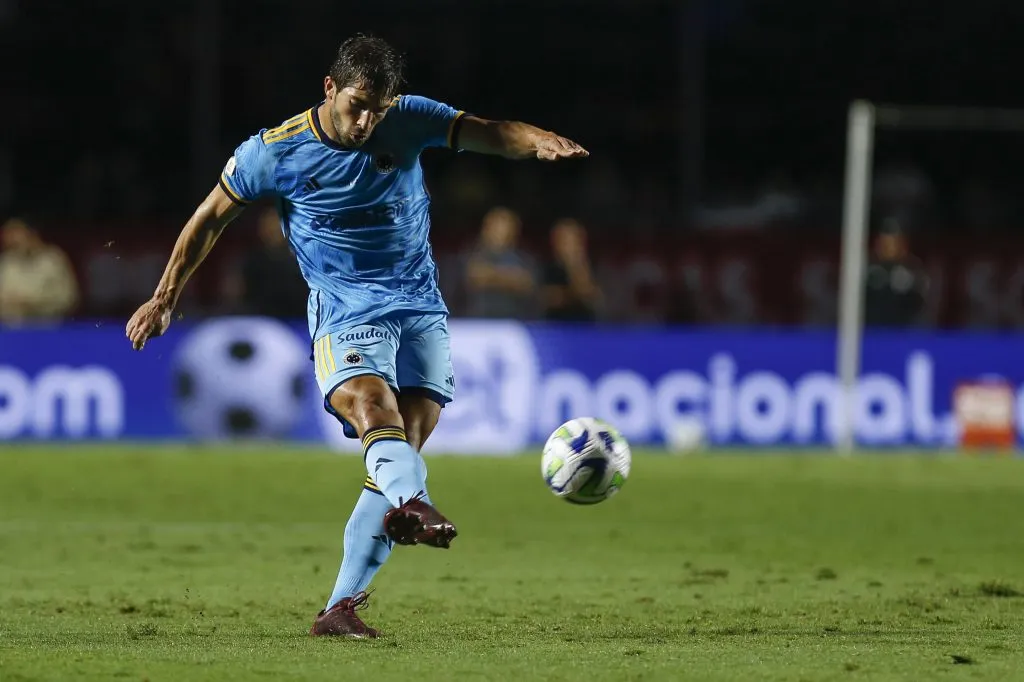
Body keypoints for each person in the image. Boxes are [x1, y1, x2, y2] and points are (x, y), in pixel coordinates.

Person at [124, 34, 587, 638]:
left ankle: (339, 609)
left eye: (380, 107)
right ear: (329, 89)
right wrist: (165, 296)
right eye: (357, 104)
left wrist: (536, 141)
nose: (368, 120)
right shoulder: (272, 153)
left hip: (420, 306)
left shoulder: (408, 117)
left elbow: (490, 131)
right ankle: (414, 507)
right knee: (375, 409)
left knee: (400, 453)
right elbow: (210, 216)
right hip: (345, 311)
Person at [0, 217, 79, 327]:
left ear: (32, 235)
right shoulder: (7, 263)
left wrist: (33, 303)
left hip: (48, 329)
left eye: (17, 239)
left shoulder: (54, 260)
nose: (13, 244)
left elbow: (69, 298)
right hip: (12, 332)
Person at [463, 206, 537, 319]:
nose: (501, 232)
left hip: (514, 323)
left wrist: (491, 275)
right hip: (479, 322)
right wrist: (511, 276)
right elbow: (475, 277)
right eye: (496, 226)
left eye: (506, 226)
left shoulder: (524, 258)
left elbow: (526, 283)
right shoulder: (473, 253)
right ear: (486, 229)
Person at [541, 218, 601, 322]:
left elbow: (588, 293)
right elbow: (550, 299)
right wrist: (572, 295)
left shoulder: (594, 265)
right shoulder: (546, 267)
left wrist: (574, 264)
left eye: (570, 240)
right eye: (561, 239)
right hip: (554, 326)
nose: (566, 245)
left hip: (586, 326)